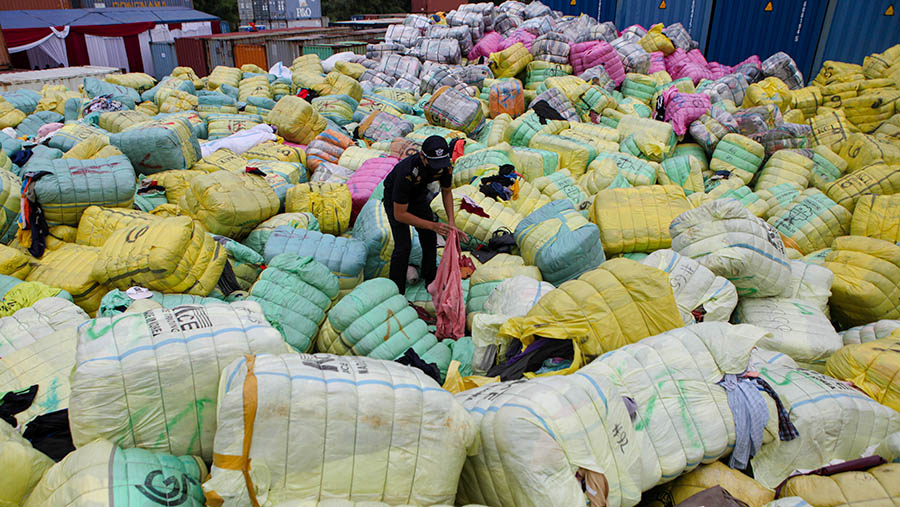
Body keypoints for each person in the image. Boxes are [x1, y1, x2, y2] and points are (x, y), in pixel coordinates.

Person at [383, 135, 462, 294]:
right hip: (396, 201)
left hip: (418, 196)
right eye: (433, 164)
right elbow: (400, 215)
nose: (437, 168)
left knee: (430, 238)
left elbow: (447, 192)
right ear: (422, 156)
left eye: (440, 164)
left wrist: (451, 222)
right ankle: (397, 291)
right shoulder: (407, 172)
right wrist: (433, 225)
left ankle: (431, 280)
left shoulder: (445, 166)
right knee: (403, 246)